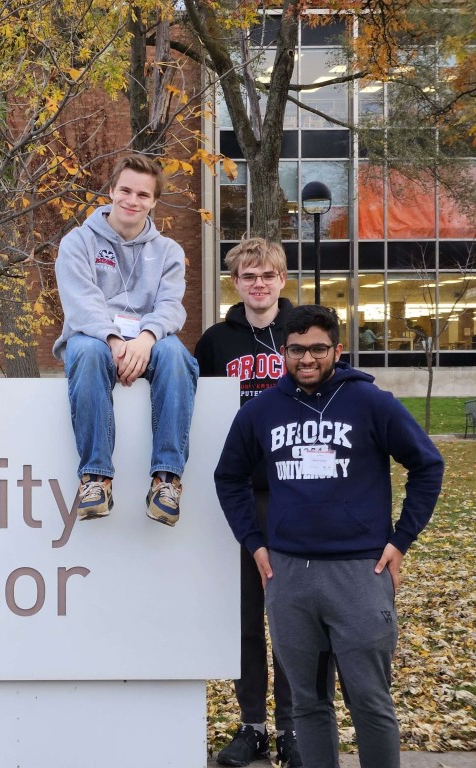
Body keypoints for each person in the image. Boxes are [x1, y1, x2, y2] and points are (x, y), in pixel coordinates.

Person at [214, 305, 444, 768]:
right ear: (283, 352)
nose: (307, 359)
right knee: (308, 705)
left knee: (370, 703)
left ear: (337, 350)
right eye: (297, 349)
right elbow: (228, 477)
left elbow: (427, 464)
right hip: (289, 576)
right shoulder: (260, 412)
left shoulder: (371, 403)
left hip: (359, 573)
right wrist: (255, 543)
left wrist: (400, 541)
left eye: (318, 348)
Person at [193, 239, 298, 767]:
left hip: (299, 495)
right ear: (236, 281)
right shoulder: (216, 341)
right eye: (249, 275)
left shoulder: (304, 333)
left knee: (292, 618)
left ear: (283, 279)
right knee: (245, 619)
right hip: (240, 496)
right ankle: (252, 725)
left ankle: (294, 729)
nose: (259, 284)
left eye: (268, 275)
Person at [53, 152, 198, 525]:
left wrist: (146, 338)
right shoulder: (78, 242)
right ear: (112, 190)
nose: (133, 201)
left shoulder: (169, 252)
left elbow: (170, 306)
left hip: (147, 343)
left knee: (178, 356)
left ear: (154, 201)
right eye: (126, 191)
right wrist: (115, 341)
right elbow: (81, 303)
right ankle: (96, 478)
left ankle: (166, 479)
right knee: (84, 350)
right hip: (97, 340)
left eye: (143, 195)